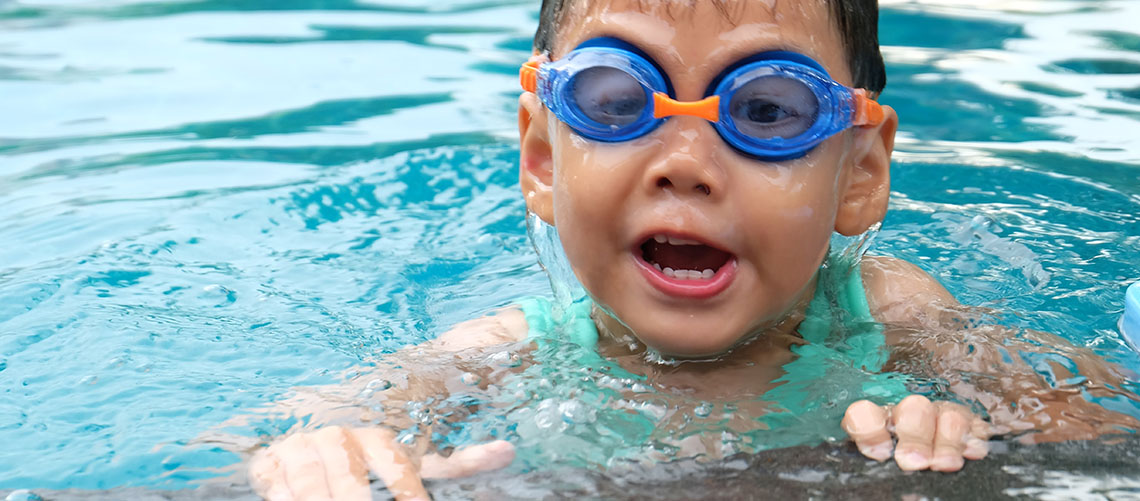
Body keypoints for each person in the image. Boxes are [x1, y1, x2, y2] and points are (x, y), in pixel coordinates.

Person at [246, 1, 1137, 499]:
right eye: (613, 95)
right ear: (543, 157)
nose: (686, 167)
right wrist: (316, 450)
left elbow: (1094, 434)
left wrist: (966, 436)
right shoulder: (508, 352)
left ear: (859, 174)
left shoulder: (890, 312)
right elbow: (303, 426)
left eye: (767, 110)